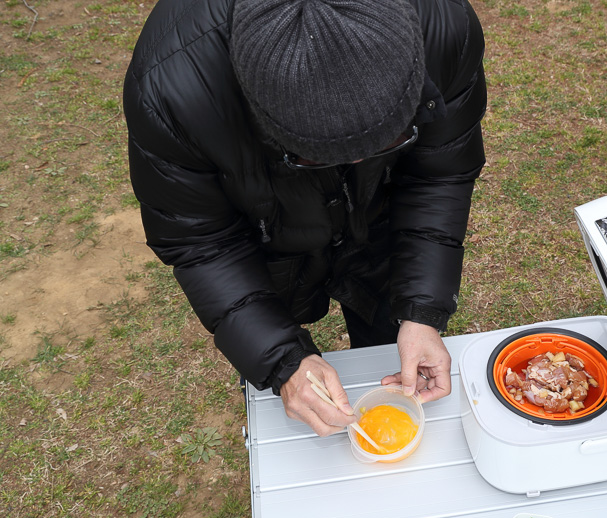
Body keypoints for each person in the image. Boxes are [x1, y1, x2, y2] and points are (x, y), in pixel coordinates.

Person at [123, 0, 486, 436]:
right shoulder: (173, 87)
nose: (357, 160)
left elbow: (438, 173)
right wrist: (281, 359)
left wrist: (422, 310)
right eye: (316, 155)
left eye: (389, 137)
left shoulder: (443, 26)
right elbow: (202, 241)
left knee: (389, 343)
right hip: (264, 237)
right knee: (285, 382)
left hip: (383, 218)